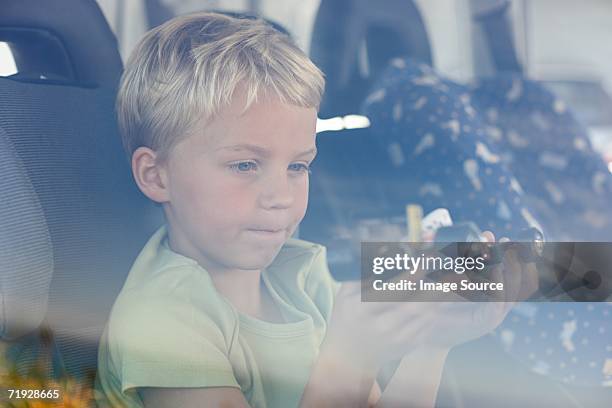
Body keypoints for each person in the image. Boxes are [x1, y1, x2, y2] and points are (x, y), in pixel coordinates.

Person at [95, 12, 532, 407]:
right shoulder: (161, 319)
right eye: (245, 165)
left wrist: (434, 343)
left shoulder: (304, 276)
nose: (281, 195)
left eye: (298, 166)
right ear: (157, 176)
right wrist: (350, 358)